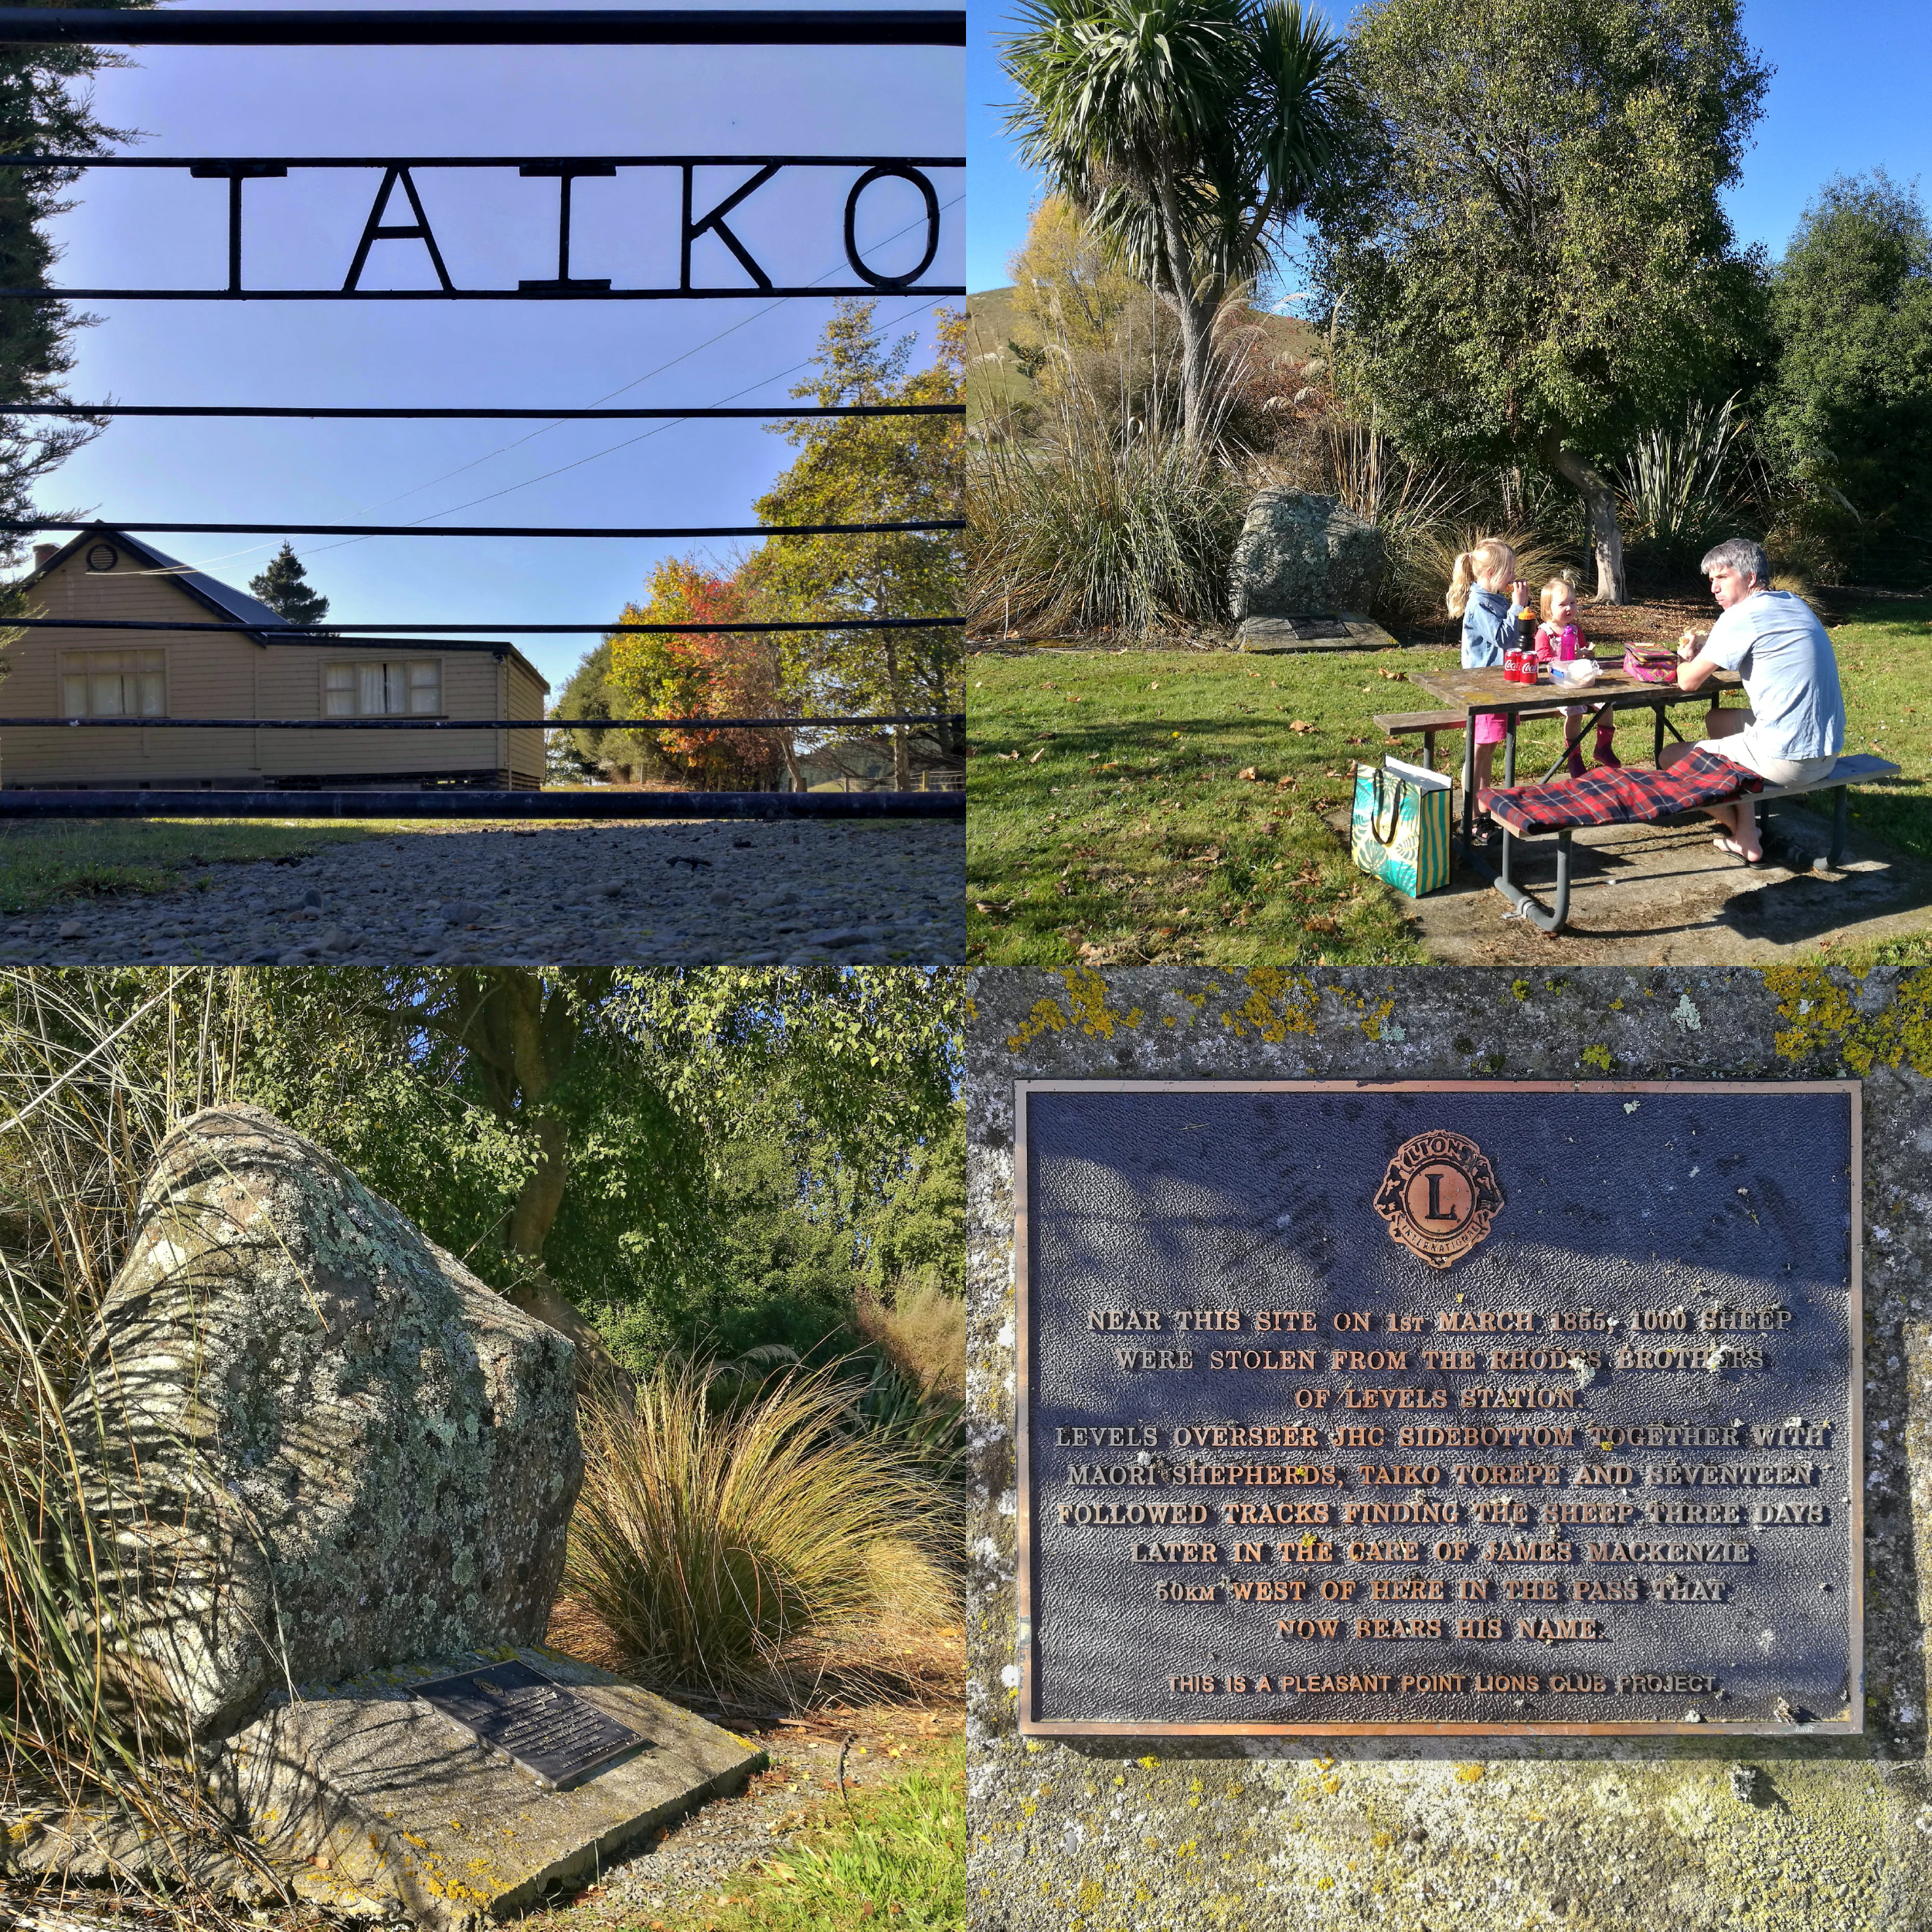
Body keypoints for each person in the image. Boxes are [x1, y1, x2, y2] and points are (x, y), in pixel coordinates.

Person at [1661, 537, 1845, 863]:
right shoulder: (1793, 602)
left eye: (1722, 578)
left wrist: (1683, 657)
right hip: (1826, 751)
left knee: (1669, 758)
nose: (1714, 589)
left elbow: (1688, 681)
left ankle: (1745, 836)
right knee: (1716, 720)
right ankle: (1748, 822)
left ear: (1749, 578)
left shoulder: (1741, 616)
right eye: (1711, 581)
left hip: (1788, 759)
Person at [1446, 539, 1527, 804]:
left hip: (1498, 686)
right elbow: (1502, 637)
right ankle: (1470, 812)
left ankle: (1484, 807)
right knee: (1478, 752)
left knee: (1489, 749)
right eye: (1510, 571)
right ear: (1492, 572)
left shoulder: (1496, 600)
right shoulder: (1479, 605)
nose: (1514, 576)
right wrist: (1517, 606)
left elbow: (1513, 637)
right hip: (1483, 691)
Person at [1535, 575, 1617, 778]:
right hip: (1557, 682)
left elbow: (1581, 651)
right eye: (1562, 604)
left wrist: (1585, 653)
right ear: (1548, 610)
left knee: (1606, 703)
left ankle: (1603, 746)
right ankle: (1574, 757)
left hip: (1579, 680)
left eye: (1572, 603)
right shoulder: (1544, 632)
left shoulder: (1575, 629)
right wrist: (1565, 656)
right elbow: (1542, 660)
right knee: (1576, 711)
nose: (1569, 608)